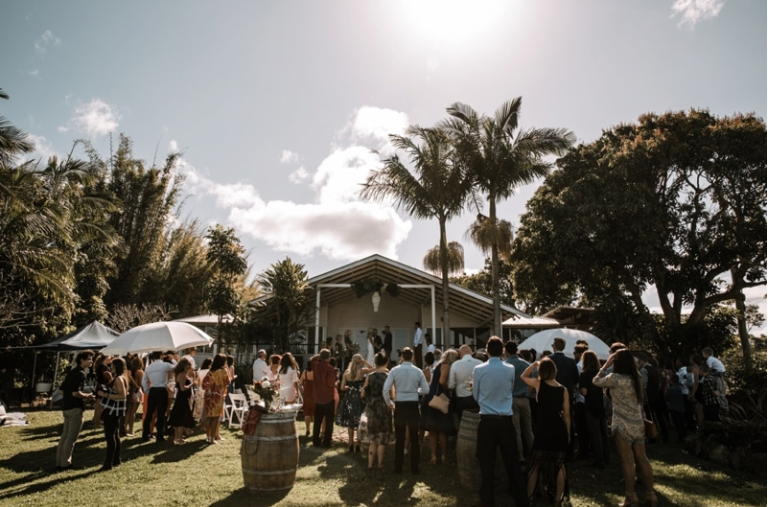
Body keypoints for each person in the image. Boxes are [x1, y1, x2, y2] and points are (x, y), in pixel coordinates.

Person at [593, 350, 657, 507]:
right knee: (642, 458)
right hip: (638, 422)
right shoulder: (638, 378)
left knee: (627, 460)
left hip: (621, 424)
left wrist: (606, 364)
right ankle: (651, 494)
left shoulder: (615, 378)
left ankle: (630, 496)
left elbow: (595, 381)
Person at [472, 337, 530, 507]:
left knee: (486, 463)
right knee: (512, 462)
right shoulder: (510, 369)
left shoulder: (479, 369)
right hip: (505, 419)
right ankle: (521, 498)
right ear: (503, 351)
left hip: (487, 420)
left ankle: (487, 500)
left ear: (487, 350)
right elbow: (510, 388)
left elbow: (476, 394)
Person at [521, 357, 570, 506]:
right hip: (558, 429)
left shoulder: (539, 384)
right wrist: (568, 433)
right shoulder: (563, 390)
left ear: (541, 371)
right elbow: (567, 414)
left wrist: (534, 364)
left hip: (543, 429)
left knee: (535, 464)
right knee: (560, 464)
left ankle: (529, 497)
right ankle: (557, 499)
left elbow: (523, 376)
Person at [383, 347, 429, 475]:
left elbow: (385, 389)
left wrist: (389, 403)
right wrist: (415, 391)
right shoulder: (418, 371)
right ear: (412, 357)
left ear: (402, 357)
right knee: (414, 438)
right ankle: (415, 468)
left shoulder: (395, 370)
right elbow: (426, 389)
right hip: (413, 405)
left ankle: (398, 467)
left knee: (400, 438)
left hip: (400, 405)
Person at [55, 349, 95, 471]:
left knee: (65, 435)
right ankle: (65, 464)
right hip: (75, 408)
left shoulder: (71, 372)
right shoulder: (80, 374)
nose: (91, 361)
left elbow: (61, 390)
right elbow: (75, 393)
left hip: (66, 407)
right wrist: (87, 396)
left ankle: (59, 462)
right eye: (89, 359)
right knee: (71, 437)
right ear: (82, 360)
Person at [420, 348, 456, 465]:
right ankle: (444, 456)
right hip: (439, 399)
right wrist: (449, 388)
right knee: (442, 430)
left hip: (431, 398)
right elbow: (441, 382)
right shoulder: (446, 366)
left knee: (433, 430)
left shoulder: (438, 365)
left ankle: (433, 456)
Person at [96, 357, 128, 471]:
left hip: (113, 410)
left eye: (112, 365)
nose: (110, 367)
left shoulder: (119, 378)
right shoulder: (120, 377)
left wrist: (105, 395)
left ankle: (108, 463)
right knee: (115, 435)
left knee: (110, 436)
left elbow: (122, 395)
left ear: (116, 366)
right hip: (114, 410)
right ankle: (116, 460)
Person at [549, 337, 579, 457]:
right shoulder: (571, 362)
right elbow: (576, 379)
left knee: (552, 420)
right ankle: (569, 449)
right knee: (568, 419)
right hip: (567, 393)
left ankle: (554, 448)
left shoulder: (549, 360)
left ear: (554, 346)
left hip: (552, 394)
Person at [362, 352, 392, 470]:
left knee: (373, 436)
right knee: (382, 436)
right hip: (384, 405)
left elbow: (363, 392)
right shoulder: (388, 375)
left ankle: (370, 464)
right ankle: (380, 464)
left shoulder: (370, 376)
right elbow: (392, 393)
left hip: (372, 405)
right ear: (386, 362)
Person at [505, 341, 534, 462]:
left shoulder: (506, 365)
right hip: (525, 398)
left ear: (506, 351)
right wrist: (528, 391)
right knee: (528, 429)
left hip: (512, 399)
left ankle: (520, 456)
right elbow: (532, 380)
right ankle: (534, 454)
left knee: (516, 430)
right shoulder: (526, 364)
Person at [579, 350, 609, 468]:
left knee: (595, 434)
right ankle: (606, 456)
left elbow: (584, 392)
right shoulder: (601, 373)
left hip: (591, 406)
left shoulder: (584, 374)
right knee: (603, 433)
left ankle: (599, 460)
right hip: (602, 404)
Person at [336, 353, 370, 452]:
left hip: (349, 397)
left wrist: (350, 387)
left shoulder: (347, 372)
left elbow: (342, 387)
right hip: (359, 397)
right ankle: (358, 444)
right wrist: (364, 361)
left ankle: (350, 444)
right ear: (360, 361)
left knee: (350, 422)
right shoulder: (362, 371)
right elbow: (373, 369)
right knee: (359, 421)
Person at [142, 351, 176, 443]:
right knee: (161, 414)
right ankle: (159, 435)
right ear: (161, 356)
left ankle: (145, 433)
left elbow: (144, 381)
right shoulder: (164, 365)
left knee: (149, 413)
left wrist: (148, 391)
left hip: (153, 390)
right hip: (161, 390)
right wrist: (172, 358)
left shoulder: (149, 367)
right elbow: (176, 367)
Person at [312, 349, 339, 448]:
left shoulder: (315, 366)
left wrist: (318, 356)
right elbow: (331, 384)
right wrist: (337, 381)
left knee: (317, 422)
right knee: (329, 422)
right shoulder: (330, 368)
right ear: (329, 357)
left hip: (318, 398)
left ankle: (315, 441)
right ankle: (327, 442)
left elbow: (311, 360)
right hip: (328, 398)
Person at [448, 344, 481, 424]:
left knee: (462, 424)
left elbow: (451, 385)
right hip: (477, 399)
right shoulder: (480, 363)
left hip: (462, 400)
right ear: (471, 352)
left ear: (460, 354)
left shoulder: (455, 365)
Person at [202, 353, 229, 444]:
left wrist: (209, 390)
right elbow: (228, 382)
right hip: (218, 396)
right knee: (215, 417)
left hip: (209, 396)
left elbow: (204, 383)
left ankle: (208, 437)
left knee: (209, 416)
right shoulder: (223, 371)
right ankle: (212, 438)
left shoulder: (211, 371)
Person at [168, 358, 196, 445]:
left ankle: (177, 438)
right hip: (182, 398)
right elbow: (183, 388)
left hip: (183, 398)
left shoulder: (184, 374)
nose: (190, 366)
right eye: (188, 364)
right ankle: (179, 439)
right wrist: (192, 384)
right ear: (184, 365)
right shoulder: (182, 375)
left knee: (178, 418)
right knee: (181, 419)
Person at [124, 356, 144, 437]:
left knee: (128, 411)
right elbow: (141, 383)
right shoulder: (140, 372)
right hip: (136, 392)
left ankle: (125, 427)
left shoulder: (131, 371)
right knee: (133, 412)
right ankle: (131, 430)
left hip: (130, 391)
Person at [300, 356, 316, 436]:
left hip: (306, 394)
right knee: (315, 413)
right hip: (315, 395)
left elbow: (300, 383)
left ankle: (307, 429)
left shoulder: (305, 372)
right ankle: (315, 430)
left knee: (307, 413)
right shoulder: (316, 373)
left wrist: (302, 389)